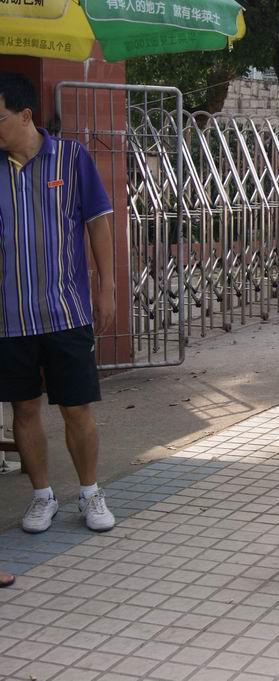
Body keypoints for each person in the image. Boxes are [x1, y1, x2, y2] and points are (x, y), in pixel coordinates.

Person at [0, 72, 116, 534]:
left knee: (76, 407)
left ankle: (90, 492)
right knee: (23, 410)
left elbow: (99, 223)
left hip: (66, 311)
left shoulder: (72, 158)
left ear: (25, 115)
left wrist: (106, 287)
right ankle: (42, 495)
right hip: (10, 318)